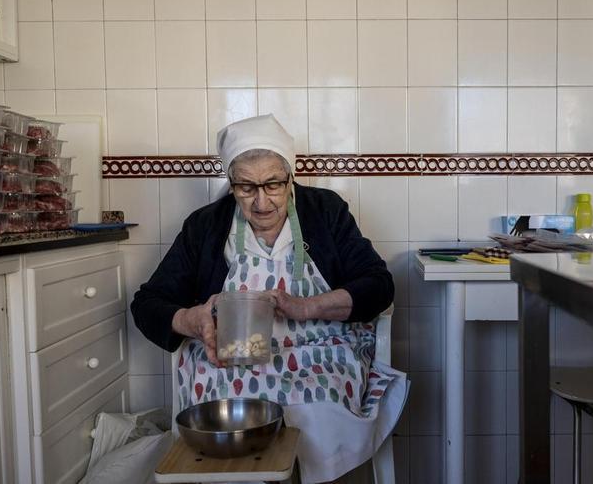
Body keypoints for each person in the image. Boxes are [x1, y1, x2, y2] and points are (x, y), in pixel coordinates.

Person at [131, 114, 406, 483]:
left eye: (273, 184)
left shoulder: (325, 211)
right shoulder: (206, 225)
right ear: (231, 184)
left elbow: (378, 285)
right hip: (229, 359)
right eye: (246, 187)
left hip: (322, 351)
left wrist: (306, 307)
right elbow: (147, 303)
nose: (261, 201)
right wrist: (191, 319)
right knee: (232, 404)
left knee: (312, 400)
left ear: (290, 176)